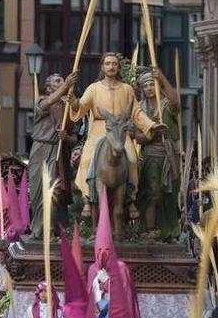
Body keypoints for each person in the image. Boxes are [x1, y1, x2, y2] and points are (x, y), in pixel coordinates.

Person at [67, 52, 166, 219]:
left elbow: (136, 112)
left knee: (132, 159)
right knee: (86, 159)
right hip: (100, 127)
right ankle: (87, 199)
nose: (111, 66)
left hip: (120, 129)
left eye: (114, 63)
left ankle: (130, 199)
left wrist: (152, 125)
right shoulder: (94, 88)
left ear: (118, 67)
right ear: (102, 67)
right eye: (107, 63)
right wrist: (73, 101)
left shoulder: (126, 89)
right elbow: (81, 107)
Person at [27, 71, 79, 239]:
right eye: (58, 81)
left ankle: (50, 230)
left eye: (63, 80)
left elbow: (74, 138)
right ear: (49, 87)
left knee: (52, 190)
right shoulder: (42, 101)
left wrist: (67, 137)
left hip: (58, 152)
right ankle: (38, 229)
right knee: (37, 192)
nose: (62, 81)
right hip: (41, 149)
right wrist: (66, 85)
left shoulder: (68, 108)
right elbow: (46, 105)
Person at [134, 68, 181, 241]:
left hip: (169, 155)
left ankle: (169, 231)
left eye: (152, 84)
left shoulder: (166, 105)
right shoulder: (139, 110)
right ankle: (150, 229)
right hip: (151, 155)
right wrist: (151, 133)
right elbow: (136, 136)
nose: (149, 88)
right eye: (145, 85)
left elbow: (175, 103)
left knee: (169, 194)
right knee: (152, 193)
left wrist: (162, 77)